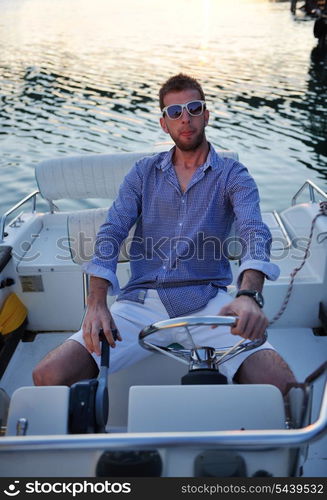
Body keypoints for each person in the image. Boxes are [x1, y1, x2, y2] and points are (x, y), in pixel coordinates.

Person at [33, 73, 296, 394]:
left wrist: (248, 296)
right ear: (164, 123)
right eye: (175, 112)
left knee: (284, 386)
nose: (185, 119)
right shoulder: (143, 173)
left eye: (194, 108)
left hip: (210, 303)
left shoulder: (233, 174)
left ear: (206, 115)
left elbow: (255, 232)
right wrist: (97, 301)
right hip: (138, 303)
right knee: (48, 375)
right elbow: (111, 231)